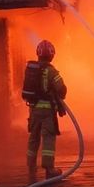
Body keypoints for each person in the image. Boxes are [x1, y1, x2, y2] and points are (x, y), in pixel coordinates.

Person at [22, 39, 67, 179]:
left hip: (34, 109)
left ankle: (31, 165)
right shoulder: (52, 71)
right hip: (47, 111)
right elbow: (62, 90)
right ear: (52, 55)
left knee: (33, 137)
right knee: (48, 137)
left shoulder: (30, 69)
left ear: (38, 53)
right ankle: (49, 168)